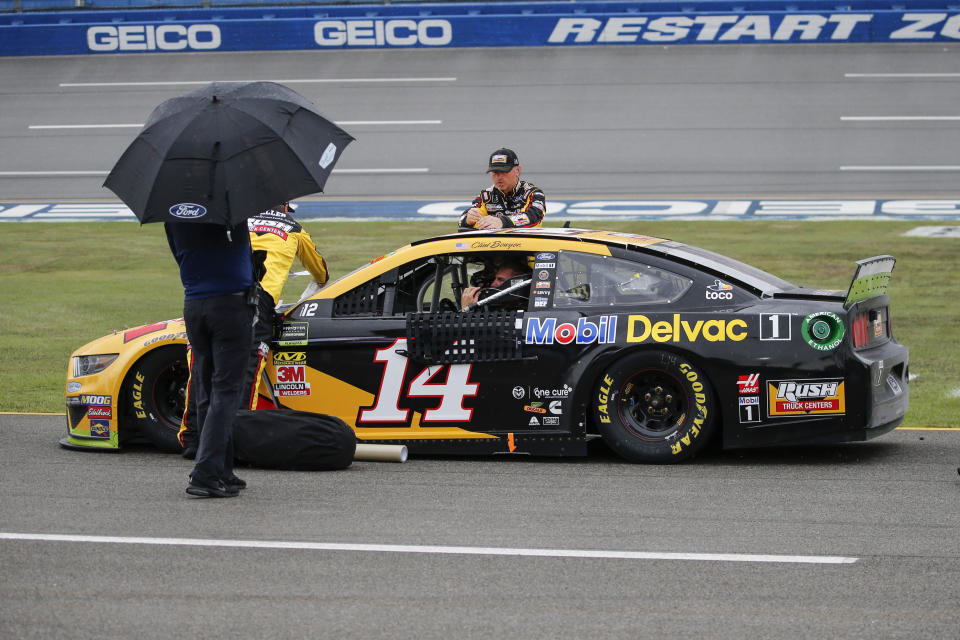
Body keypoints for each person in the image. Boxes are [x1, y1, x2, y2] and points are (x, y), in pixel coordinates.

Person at [178, 203, 329, 458]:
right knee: (245, 371)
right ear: (284, 207)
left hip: (211, 295)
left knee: (202, 366)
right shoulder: (294, 228)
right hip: (255, 301)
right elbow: (321, 273)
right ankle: (234, 442)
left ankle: (192, 438)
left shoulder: (234, 220)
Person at [165, 221, 254, 499]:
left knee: (206, 390)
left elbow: (177, 253)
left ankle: (221, 469)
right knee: (226, 392)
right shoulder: (231, 207)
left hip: (194, 303)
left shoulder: (173, 211)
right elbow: (243, 255)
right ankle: (206, 472)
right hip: (230, 304)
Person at [459, 148, 546, 230]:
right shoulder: (485, 196)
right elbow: (462, 220)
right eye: (495, 172)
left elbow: (534, 217)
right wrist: (468, 220)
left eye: (504, 172)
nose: (499, 177)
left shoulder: (533, 193)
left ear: (517, 171)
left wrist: (502, 222)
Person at [460, 256, 530, 310]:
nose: (492, 284)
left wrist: (466, 310)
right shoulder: (492, 305)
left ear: (519, 282)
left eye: (500, 280)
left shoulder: (528, 309)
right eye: (495, 279)